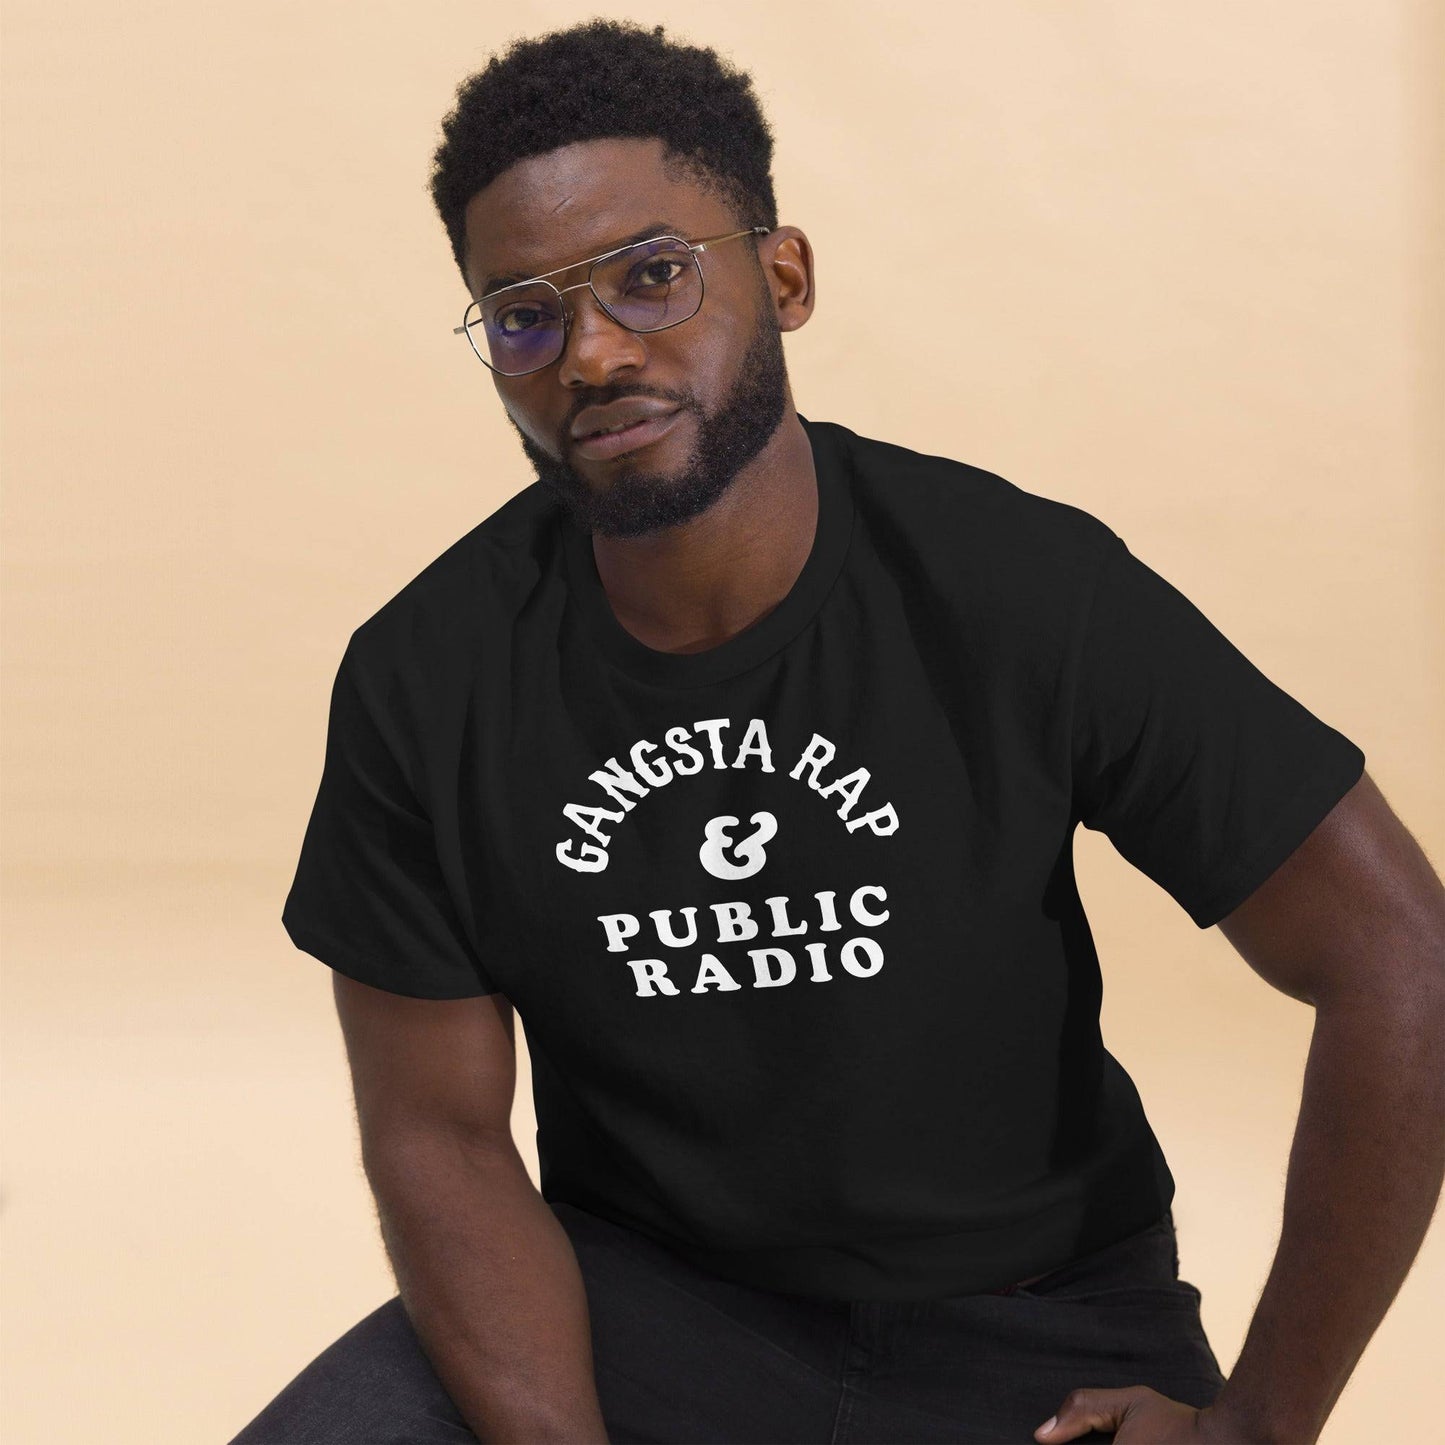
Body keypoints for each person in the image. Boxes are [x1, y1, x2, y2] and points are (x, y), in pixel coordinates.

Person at [231, 18, 1445, 1445]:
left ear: (783, 276)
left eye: (652, 274)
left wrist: (1258, 1424)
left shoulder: (1013, 587)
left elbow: (1397, 955)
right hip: (640, 1312)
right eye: (524, 315)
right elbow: (436, 1131)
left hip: (1031, 1328)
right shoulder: (423, 676)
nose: (594, 351)